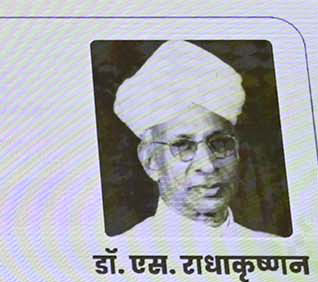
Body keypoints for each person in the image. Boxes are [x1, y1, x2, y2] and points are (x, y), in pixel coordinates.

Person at [113, 39, 272, 240]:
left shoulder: (273, 248)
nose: (208, 166)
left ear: (237, 149)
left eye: (220, 143)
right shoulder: (124, 250)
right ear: (150, 161)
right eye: (183, 146)